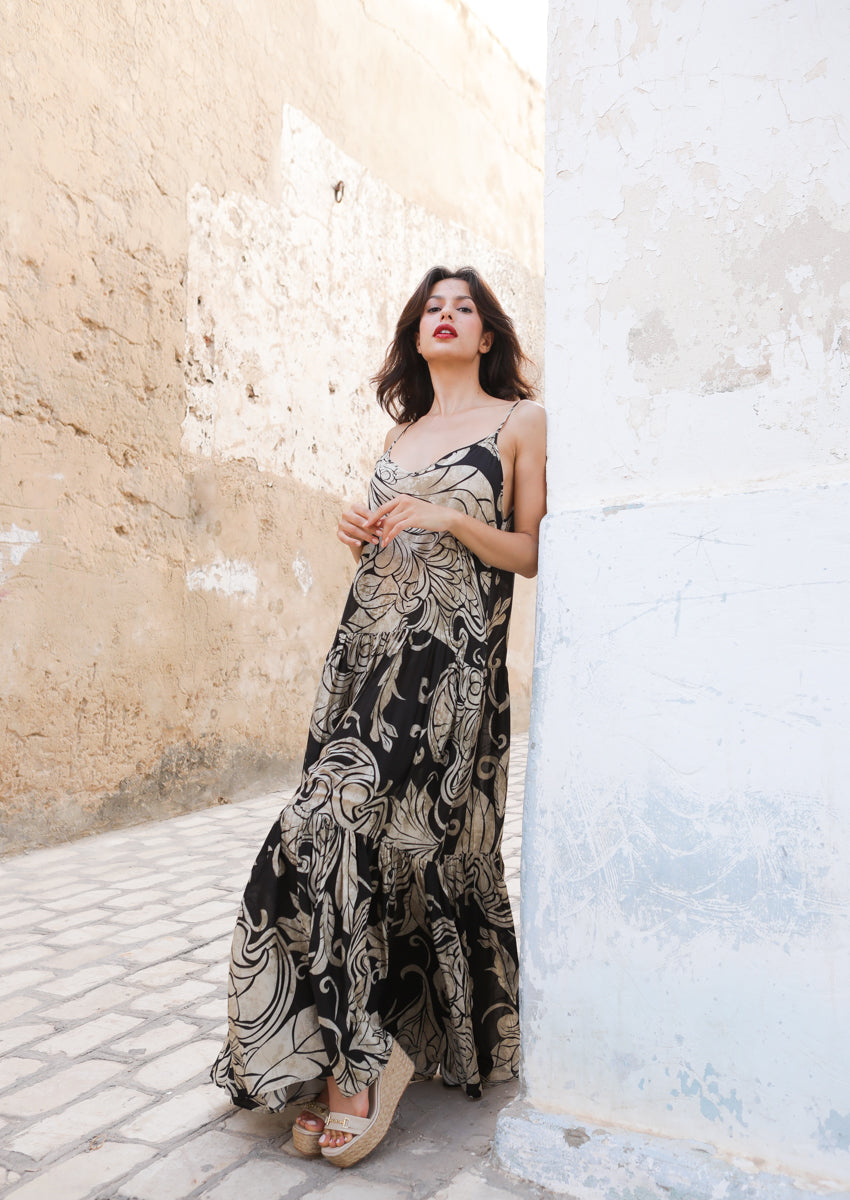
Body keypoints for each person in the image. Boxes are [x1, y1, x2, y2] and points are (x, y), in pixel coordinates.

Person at [211, 265, 547, 1168]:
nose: (446, 316)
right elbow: (392, 555)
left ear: (486, 334)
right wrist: (361, 534)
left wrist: (446, 518)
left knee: (356, 828)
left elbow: (528, 552)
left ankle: (360, 1067)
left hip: (451, 675)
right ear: (416, 332)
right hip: (368, 657)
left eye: (463, 307)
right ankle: (338, 1051)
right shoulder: (400, 433)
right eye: (433, 307)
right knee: (317, 827)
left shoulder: (522, 422)